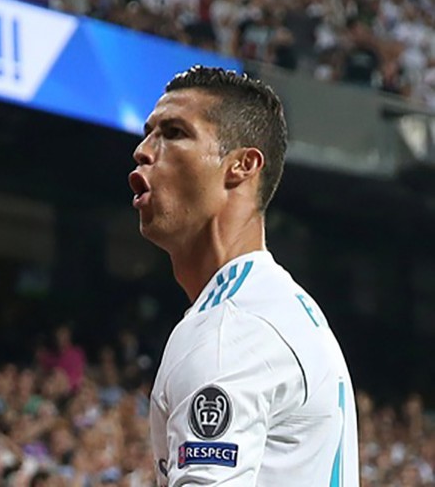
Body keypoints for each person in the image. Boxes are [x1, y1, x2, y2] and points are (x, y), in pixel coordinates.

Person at [128, 66, 358, 485]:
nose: (143, 150)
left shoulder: (231, 328)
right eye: (148, 133)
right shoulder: (273, 304)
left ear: (242, 166)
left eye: (174, 132)